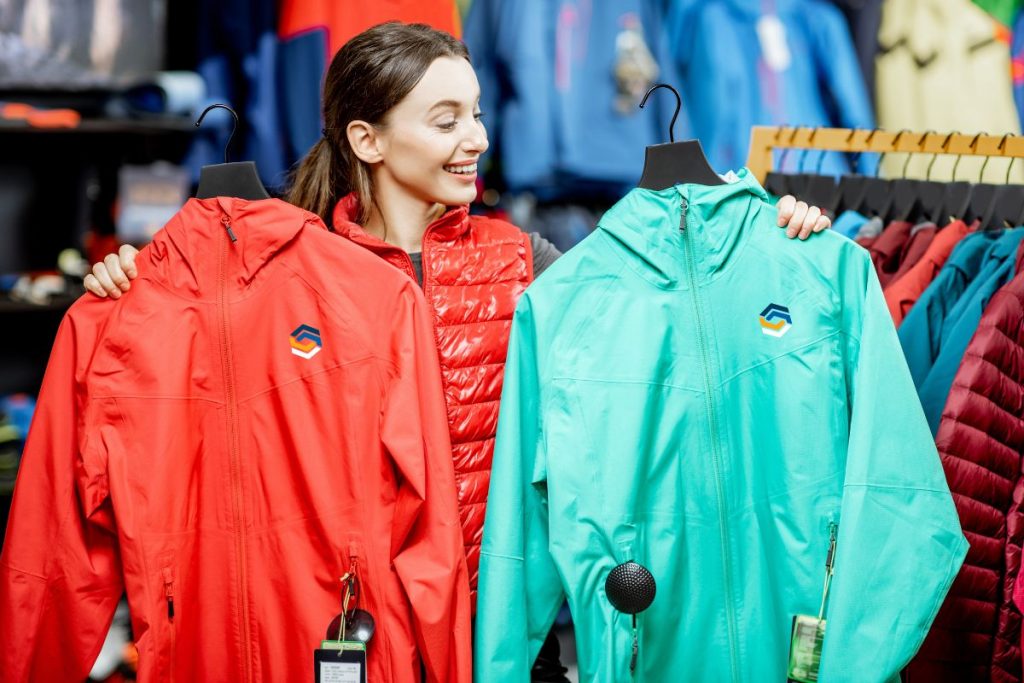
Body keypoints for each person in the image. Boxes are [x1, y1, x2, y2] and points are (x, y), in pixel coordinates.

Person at [83, 21, 832, 681]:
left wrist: (778, 239)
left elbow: (678, 317)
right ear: (366, 139)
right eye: (446, 121)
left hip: (508, 634)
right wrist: (129, 282)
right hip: (359, 640)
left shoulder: (530, 264)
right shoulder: (288, 281)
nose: (476, 138)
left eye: (475, 115)